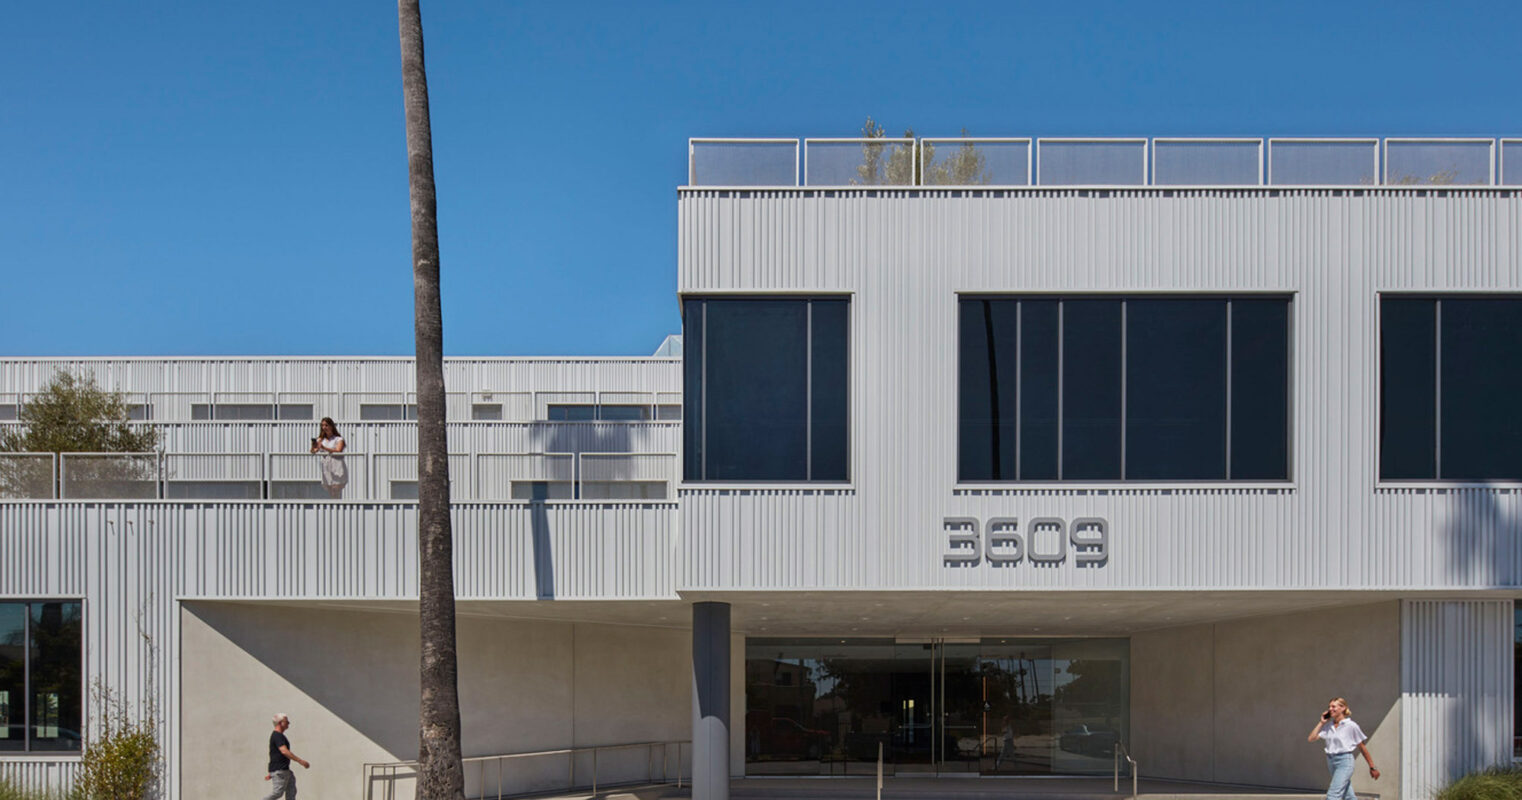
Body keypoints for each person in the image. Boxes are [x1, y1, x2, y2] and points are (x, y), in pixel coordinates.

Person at [1307, 697, 1379, 800]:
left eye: (1333, 706)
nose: (1330, 709)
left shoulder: (1351, 726)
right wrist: (1322, 722)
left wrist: (1372, 767)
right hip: (1331, 762)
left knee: (1333, 795)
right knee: (1348, 796)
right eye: (1329, 707)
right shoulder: (1329, 726)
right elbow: (1311, 738)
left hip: (1345, 762)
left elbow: (1362, 748)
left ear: (1342, 708)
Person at [263, 712, 310, 800]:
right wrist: (301, 761)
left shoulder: (278, 736)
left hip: (284, 770)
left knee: (291, 791)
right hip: (280, 771)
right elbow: (284, 751)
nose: (288, 723)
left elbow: (273, 754)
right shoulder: (277, 736)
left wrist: (272, 772)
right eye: (286, 721)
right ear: (281, 723)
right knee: (277, 793)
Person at [310, 417, 348, 498]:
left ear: (331, 426)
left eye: (326, 425)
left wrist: (324, 448)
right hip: (326, 466)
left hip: (336, 464)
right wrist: (314, 446)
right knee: (330, 489)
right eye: (322, 425)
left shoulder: (338, 439)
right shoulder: (321, 439)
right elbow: (314, 451)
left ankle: (337, 506)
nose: (324, 427)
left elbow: (339, 450)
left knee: (336, 488)